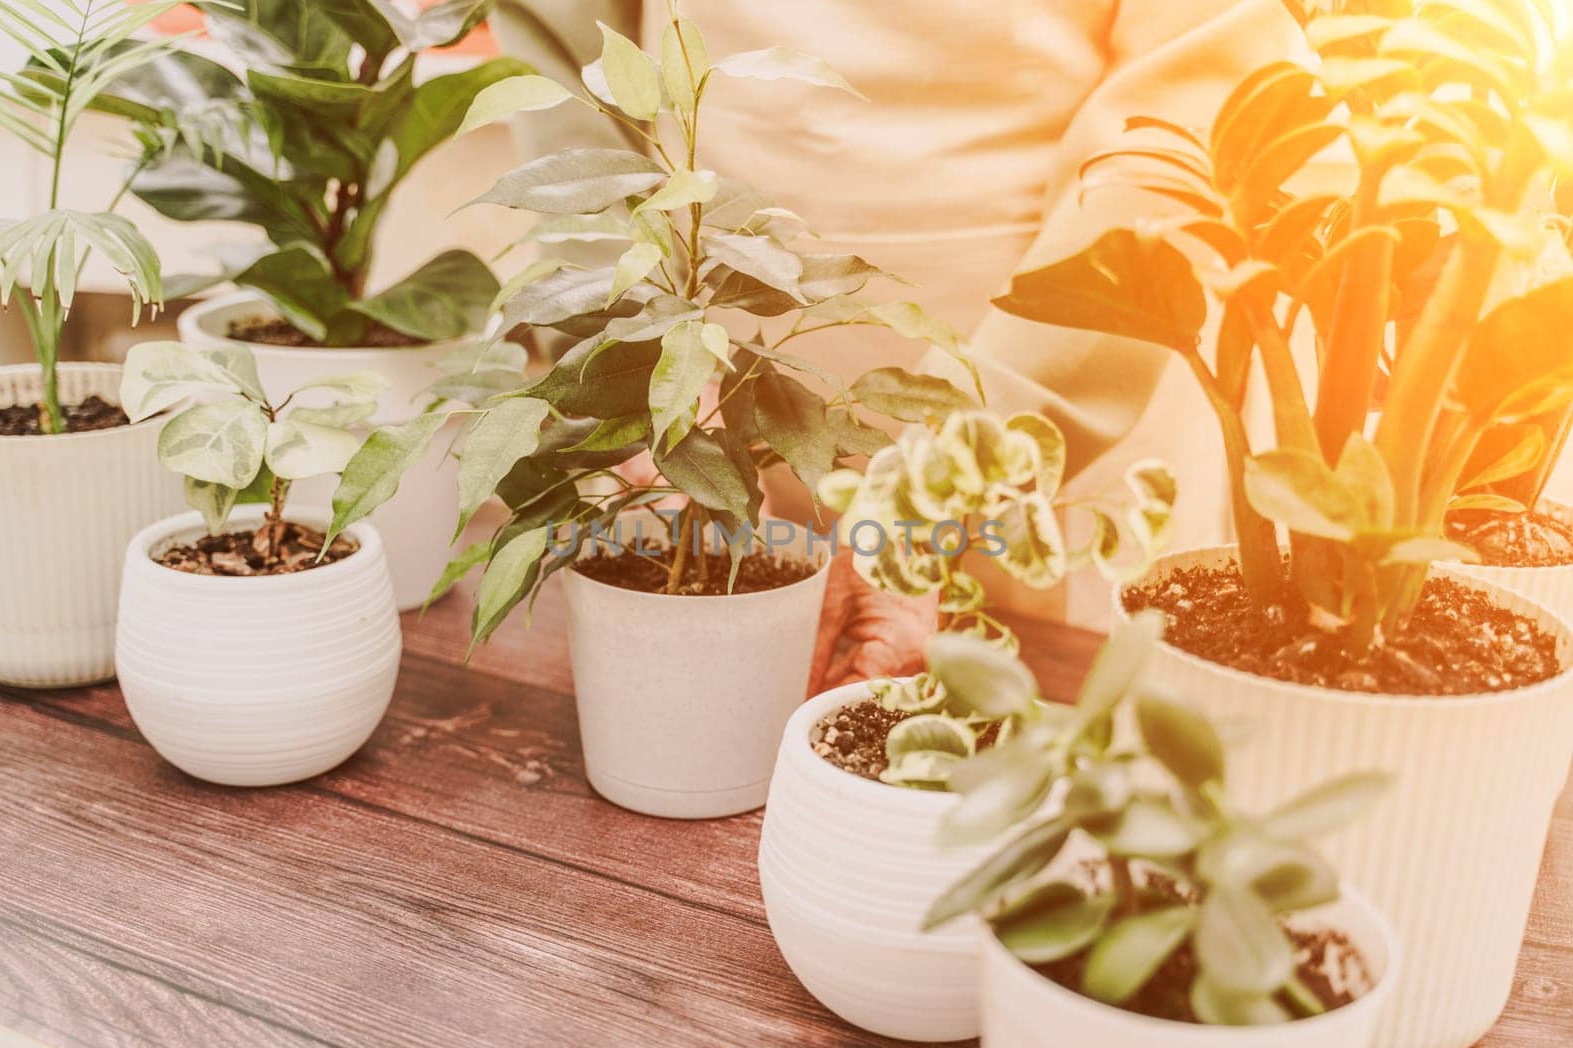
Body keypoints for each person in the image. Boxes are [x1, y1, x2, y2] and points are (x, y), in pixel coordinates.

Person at [488, 0, 1307, 690]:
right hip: (700, 401)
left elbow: (1196, 102)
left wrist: (945, 475)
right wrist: (641, 372)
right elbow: (562, 49)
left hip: (1067, 405)